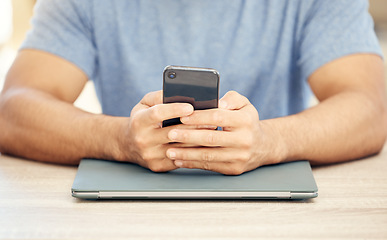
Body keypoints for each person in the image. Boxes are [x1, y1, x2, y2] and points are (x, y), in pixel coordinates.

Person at [0, 0, 386, 175]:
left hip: (274, 216)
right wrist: (119, 138)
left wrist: (270, 141)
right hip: (127, 217)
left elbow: (372, 106)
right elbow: (14, 109)